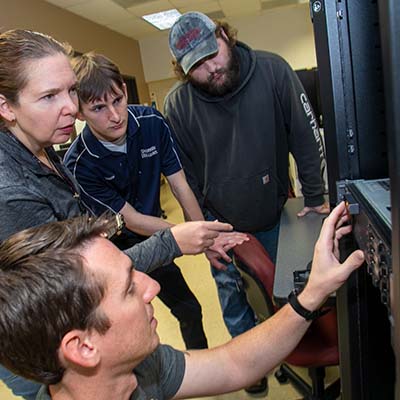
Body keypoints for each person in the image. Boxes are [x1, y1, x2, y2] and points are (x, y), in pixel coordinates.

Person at [0, 28, 234, 399]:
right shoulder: (12, 191)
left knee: (178, 313)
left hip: (97, 275)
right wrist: (175, 239)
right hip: (47, 344)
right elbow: (68, 288)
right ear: (6, 107)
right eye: (49, 96)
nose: (70, 108)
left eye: (70, 91)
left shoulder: (45, 150)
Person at [0, 201, 365, 400]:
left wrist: (312, 293)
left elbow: (233, 364)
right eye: (129, 288)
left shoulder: (141, 370)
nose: (152, 288)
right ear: (82, 347)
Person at [164, 13, 330, 390]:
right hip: (220, 222)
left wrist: (315, 196)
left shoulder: (272, 70)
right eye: (198, 67)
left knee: (283, 289)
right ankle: (251, 368)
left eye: (213, 54)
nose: (211, 69)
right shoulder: (178, 105)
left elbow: (304, 135)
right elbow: (183, 178)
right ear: (183, 70)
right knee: (234, 297)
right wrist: (203, 232)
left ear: (225, 35)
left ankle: (288, 348)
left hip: (273, 211)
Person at [64, 52, 248, 350]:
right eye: (98, 107)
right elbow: (132, 220)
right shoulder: (79, 164)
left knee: (190, 309)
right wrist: (187, 236)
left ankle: (199, 368)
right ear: (79, 112)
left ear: (124, 91)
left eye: (117, 100)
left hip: (155, 238)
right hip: (115, 249)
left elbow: (180, 185)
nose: (114, 115)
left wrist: (206, 235)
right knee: (124, 330)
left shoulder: (151, 122)